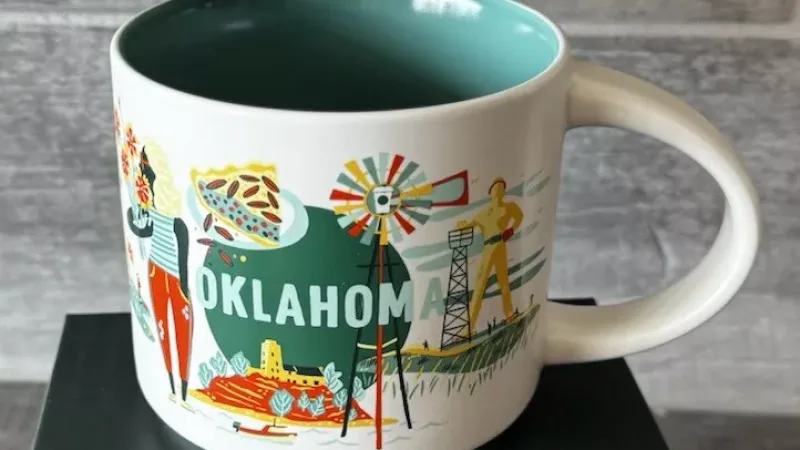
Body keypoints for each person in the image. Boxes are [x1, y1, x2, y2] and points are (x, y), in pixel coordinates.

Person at [128, 143, 194, 407]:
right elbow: (140, 230)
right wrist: (137, 212)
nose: (143, 174)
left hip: (175, 278)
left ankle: (185, 392)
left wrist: (185, 287)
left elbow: (184, 254)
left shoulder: (176, 220)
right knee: (163, 329)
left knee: (182, 332)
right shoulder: (149, 211)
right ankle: (169, 386)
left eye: (146, 169)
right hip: (156, 270)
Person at [456, 177, 523, 333]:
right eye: (496, 188)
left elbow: (519, 217)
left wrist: (511, 229)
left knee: (503, 281)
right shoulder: (484, 213)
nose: (499, 191)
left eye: (502, 188)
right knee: (480, 284)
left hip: (500, 245)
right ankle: (470, 325)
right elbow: (469, 224)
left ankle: (509, 313)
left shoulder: (509, 207)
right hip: (488, 247)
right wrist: (460, 225)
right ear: (490, 192)